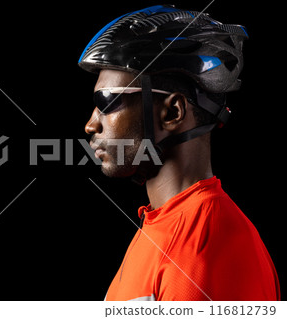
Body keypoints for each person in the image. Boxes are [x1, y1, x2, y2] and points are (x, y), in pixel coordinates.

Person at [79, 5, 280, 301]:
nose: (90, 124)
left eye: (107, 102)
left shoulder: (206, 248)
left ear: (172, 112)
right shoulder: (162, 225)